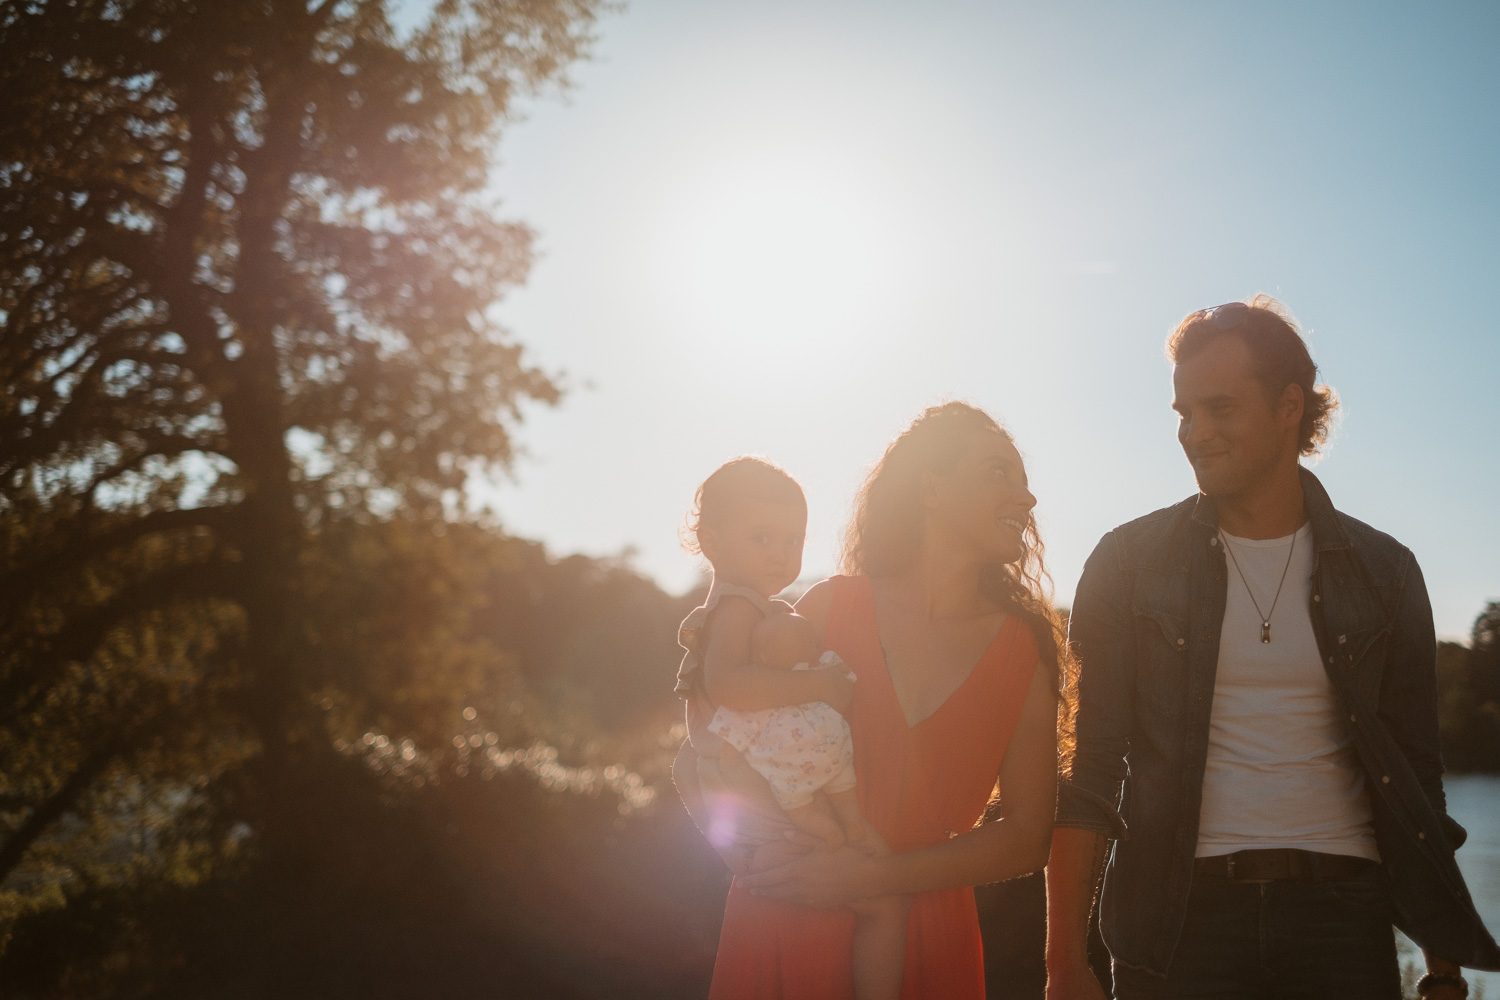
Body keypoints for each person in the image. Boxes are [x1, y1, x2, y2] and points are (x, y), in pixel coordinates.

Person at [1045, 296, 1500, 1000]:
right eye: (1184, 413)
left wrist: (1441, 970)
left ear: (1291, 407)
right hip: (1175, 924)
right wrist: (1062, 963)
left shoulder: (1386, 571)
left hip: (1342, 921)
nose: (1196, 433)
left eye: (1219, 408)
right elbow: (1092, 769)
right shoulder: (1128, 563)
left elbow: (1417, 776)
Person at [675, 402, 1061, 999]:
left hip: (926, 937)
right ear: (930, 487)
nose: (1026, 498)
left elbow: (1028, 837)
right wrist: (749, 851)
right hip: (787, 914)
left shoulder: (1023, 652)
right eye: (998, 473)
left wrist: (876, 878)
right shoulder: (829, 609)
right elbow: (712, 743)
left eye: (1023, 480)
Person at [673, 457, 908, 1000]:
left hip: (743, 780)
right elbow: (732, 684)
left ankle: (756, 854)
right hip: (757, 788)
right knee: (882, 897)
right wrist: (821, 687)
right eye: (762, 537)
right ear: (711, 540)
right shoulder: (735, 607)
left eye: (793, 539)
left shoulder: (744, 607)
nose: (781, 554)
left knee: (815, 864)